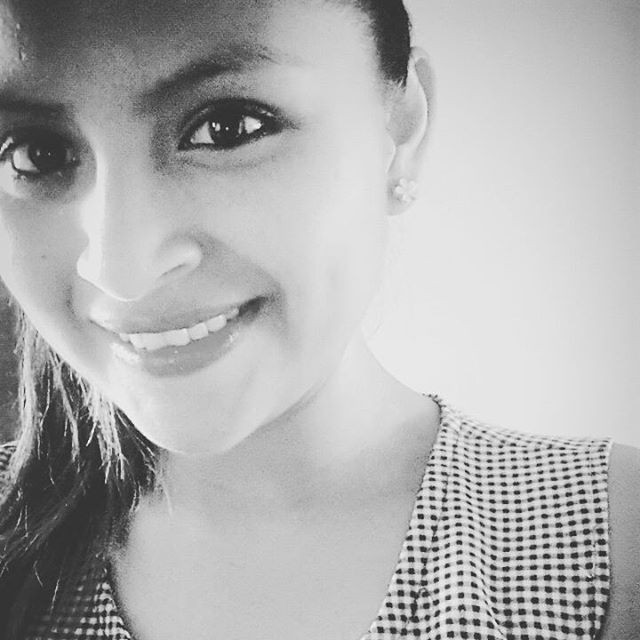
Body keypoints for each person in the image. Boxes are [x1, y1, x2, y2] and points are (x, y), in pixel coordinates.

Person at [0, 0, 637, 638]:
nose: (120, 270)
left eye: (228, 127)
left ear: (401, 131)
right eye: (35, 154)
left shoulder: (614, 542)